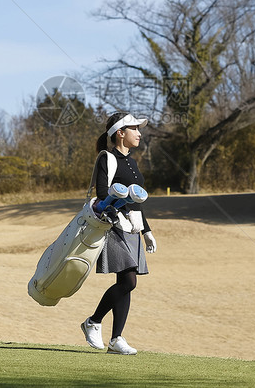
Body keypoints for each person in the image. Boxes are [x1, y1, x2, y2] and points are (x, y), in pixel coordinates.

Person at [80, 112, 157, 355]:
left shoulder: (132, 163)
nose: (139, 133)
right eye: (134, 129)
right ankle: (93, 321)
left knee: (126, 282)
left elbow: (136, 200)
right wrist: (123, 211)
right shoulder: (107, 158)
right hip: (113, 226)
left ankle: (116, 339)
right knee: (129, 281)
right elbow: (103, 194)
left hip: (132, 229)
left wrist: (147, 231)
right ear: (120, 133)